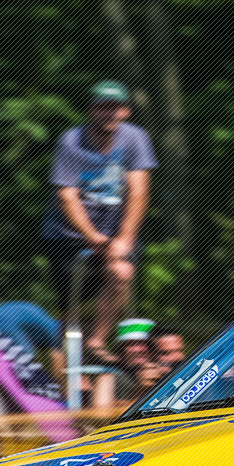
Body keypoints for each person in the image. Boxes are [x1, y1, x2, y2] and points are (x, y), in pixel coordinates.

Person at [39, 80, 157, 364]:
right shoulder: (71, 142)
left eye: (115, 107)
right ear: (92, 110)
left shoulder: (135, 138)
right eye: (103, 107)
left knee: (121, 273)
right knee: (71, 314)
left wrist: (125, 238)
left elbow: (139, 191)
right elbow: (67, 197)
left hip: (115, 234)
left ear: (125, 111)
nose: (110, 113)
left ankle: (97, 342)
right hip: (67, 236)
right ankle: (67, 363)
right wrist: (91, 235)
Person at [0, 300, 63, 376]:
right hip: (7, 323)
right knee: (29, 366)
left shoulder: (46, 321)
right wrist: (63, 383)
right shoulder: (55, 331)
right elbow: (58, 366)